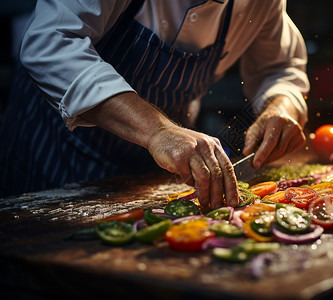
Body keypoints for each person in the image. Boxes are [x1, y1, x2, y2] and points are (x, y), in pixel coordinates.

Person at [0, 0, 310, 208]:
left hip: (152, 171)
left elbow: (279, 68)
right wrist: (157, 130)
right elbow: (50, 41)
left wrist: (281, 104)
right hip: (53, 152)